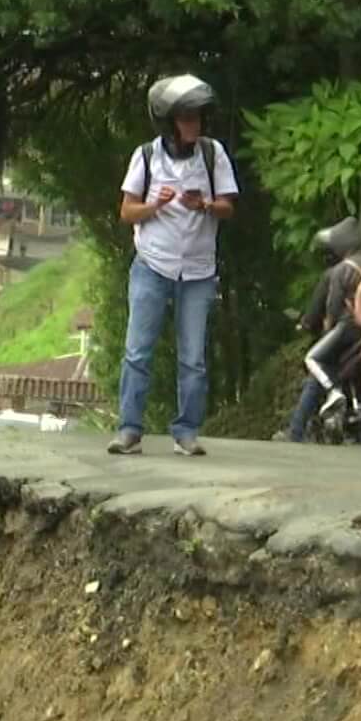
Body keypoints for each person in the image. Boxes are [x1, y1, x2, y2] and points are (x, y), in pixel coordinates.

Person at [108, 73, 240, 457]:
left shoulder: (213, 154)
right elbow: (126, 212)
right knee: (138, 350)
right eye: (185, 119)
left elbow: (228, 207)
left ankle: (187, 430)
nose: (193, 126)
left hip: (198, 269)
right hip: (152, 264)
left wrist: (205, 206)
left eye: (197, 118)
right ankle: (130, 429)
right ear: (168, 122)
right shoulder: (146, 156)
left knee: (194, 357)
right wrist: (156, 205)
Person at [273, 217, 361, 442]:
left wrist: (311, 326)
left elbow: (332, 309)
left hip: (349, 330)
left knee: (314, 360)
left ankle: (299, 427)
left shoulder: (338, 271)